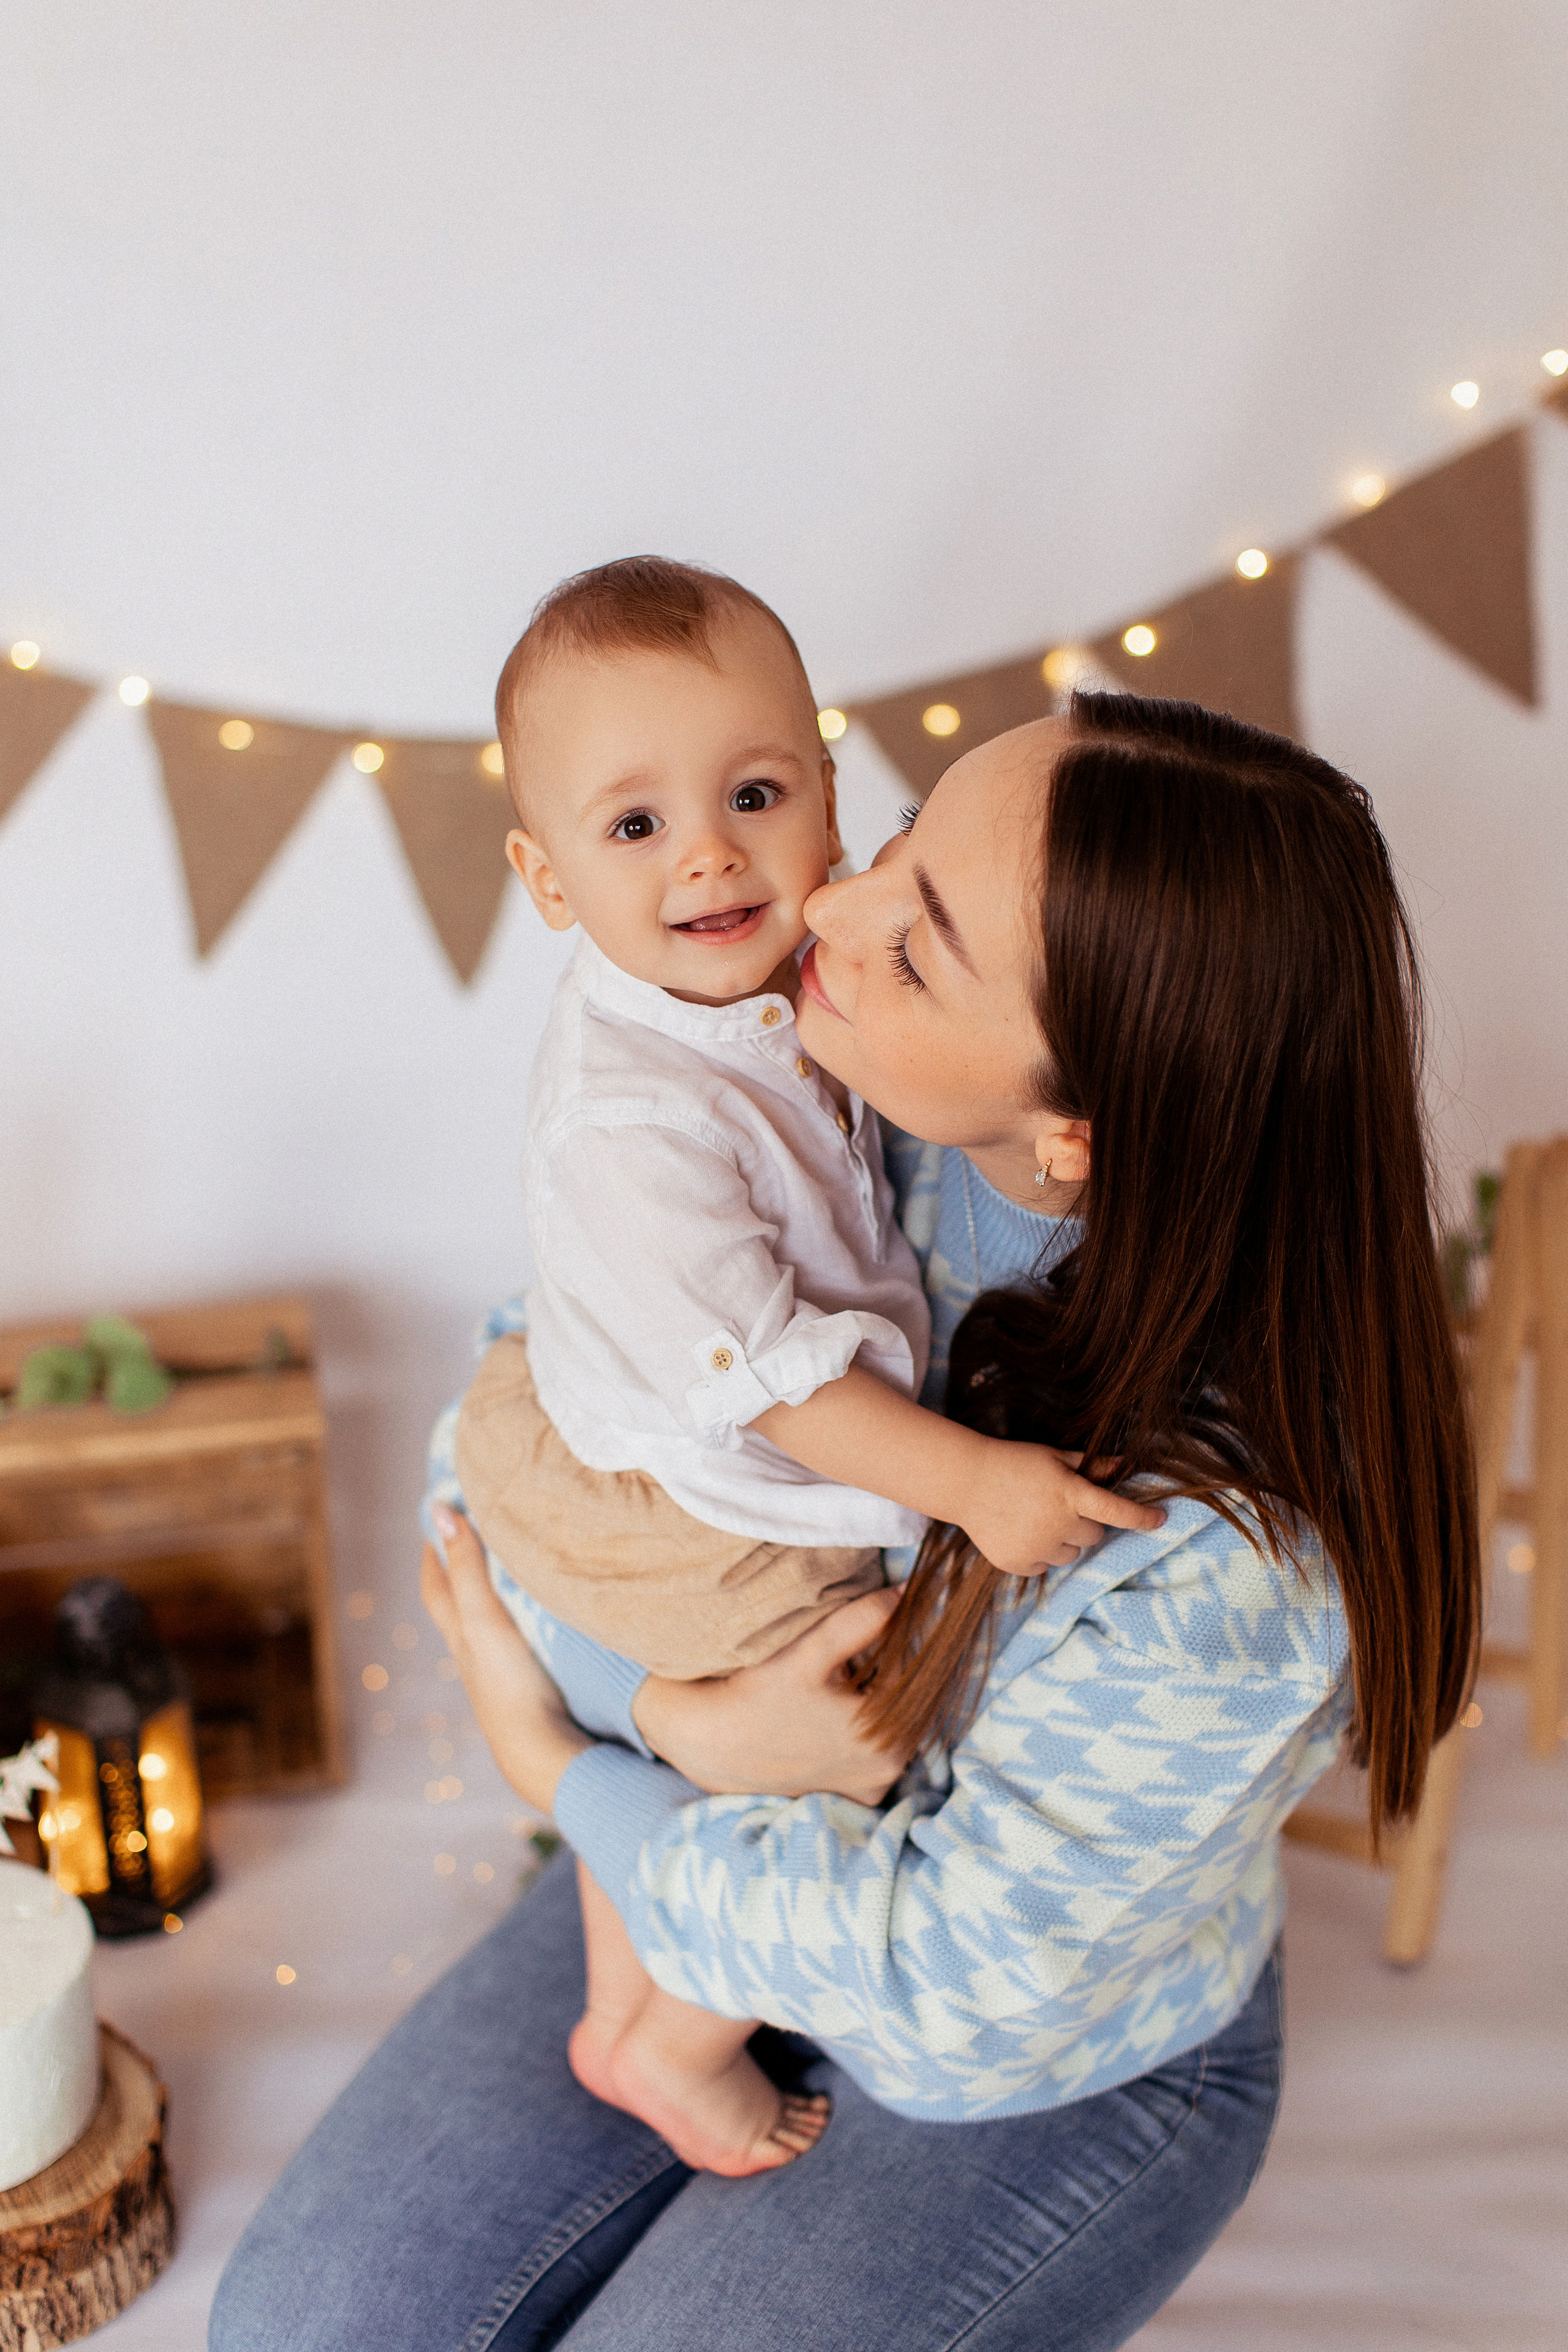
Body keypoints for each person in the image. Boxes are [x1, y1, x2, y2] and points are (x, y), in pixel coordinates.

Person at [211, 692, 1479, 2352]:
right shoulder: (819, 1093)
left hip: (1037, 2029)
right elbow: (522, 1411)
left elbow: (957, 1980)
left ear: (1076, 1131)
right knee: (304, 2327)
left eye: (919, 947)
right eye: (897, 838)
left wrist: (565, 1770)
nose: (825, 906)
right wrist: (681, 1721)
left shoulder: (1244, 1557)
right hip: (725, 1824)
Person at [447, 556, 1159, 2174]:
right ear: (546, 879)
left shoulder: (771, 982)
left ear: (831, 796)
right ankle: (671, 2035)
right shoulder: (633, 1117)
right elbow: (778, 1385)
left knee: (743, 1733)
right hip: (707, 1496)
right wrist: (973, 1484)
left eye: (755, 795)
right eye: (635, 826)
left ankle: (625, 1977)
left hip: (669, 1435)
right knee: (853, 1731)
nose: (709, 854)